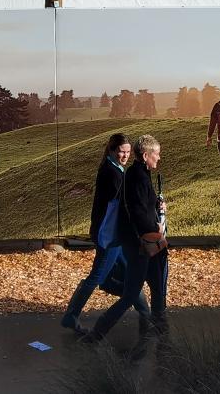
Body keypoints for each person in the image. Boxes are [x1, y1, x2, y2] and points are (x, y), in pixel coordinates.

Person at [61, 133, 150, 334]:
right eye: (121, 152)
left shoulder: (112, 169)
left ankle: (146, 315)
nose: (125, 156)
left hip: (111, 235)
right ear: (111, 150)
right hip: (110, 237)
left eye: (128, 152)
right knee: (99, 276)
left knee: (127, 275)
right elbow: (125, 204)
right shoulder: (113, 174)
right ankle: (71, 316)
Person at [85, 135, 168, 342]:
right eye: (156, 154)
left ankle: (159, 329)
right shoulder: (138, 177)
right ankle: (99, 333)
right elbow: (137, 212)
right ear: (146, 155)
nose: (159, 158)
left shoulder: (139, 174)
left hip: (142, 244)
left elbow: (141, 205)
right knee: (141, 292)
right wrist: (155, 228)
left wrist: (156, 206)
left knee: (149, 290)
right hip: (144, 245)